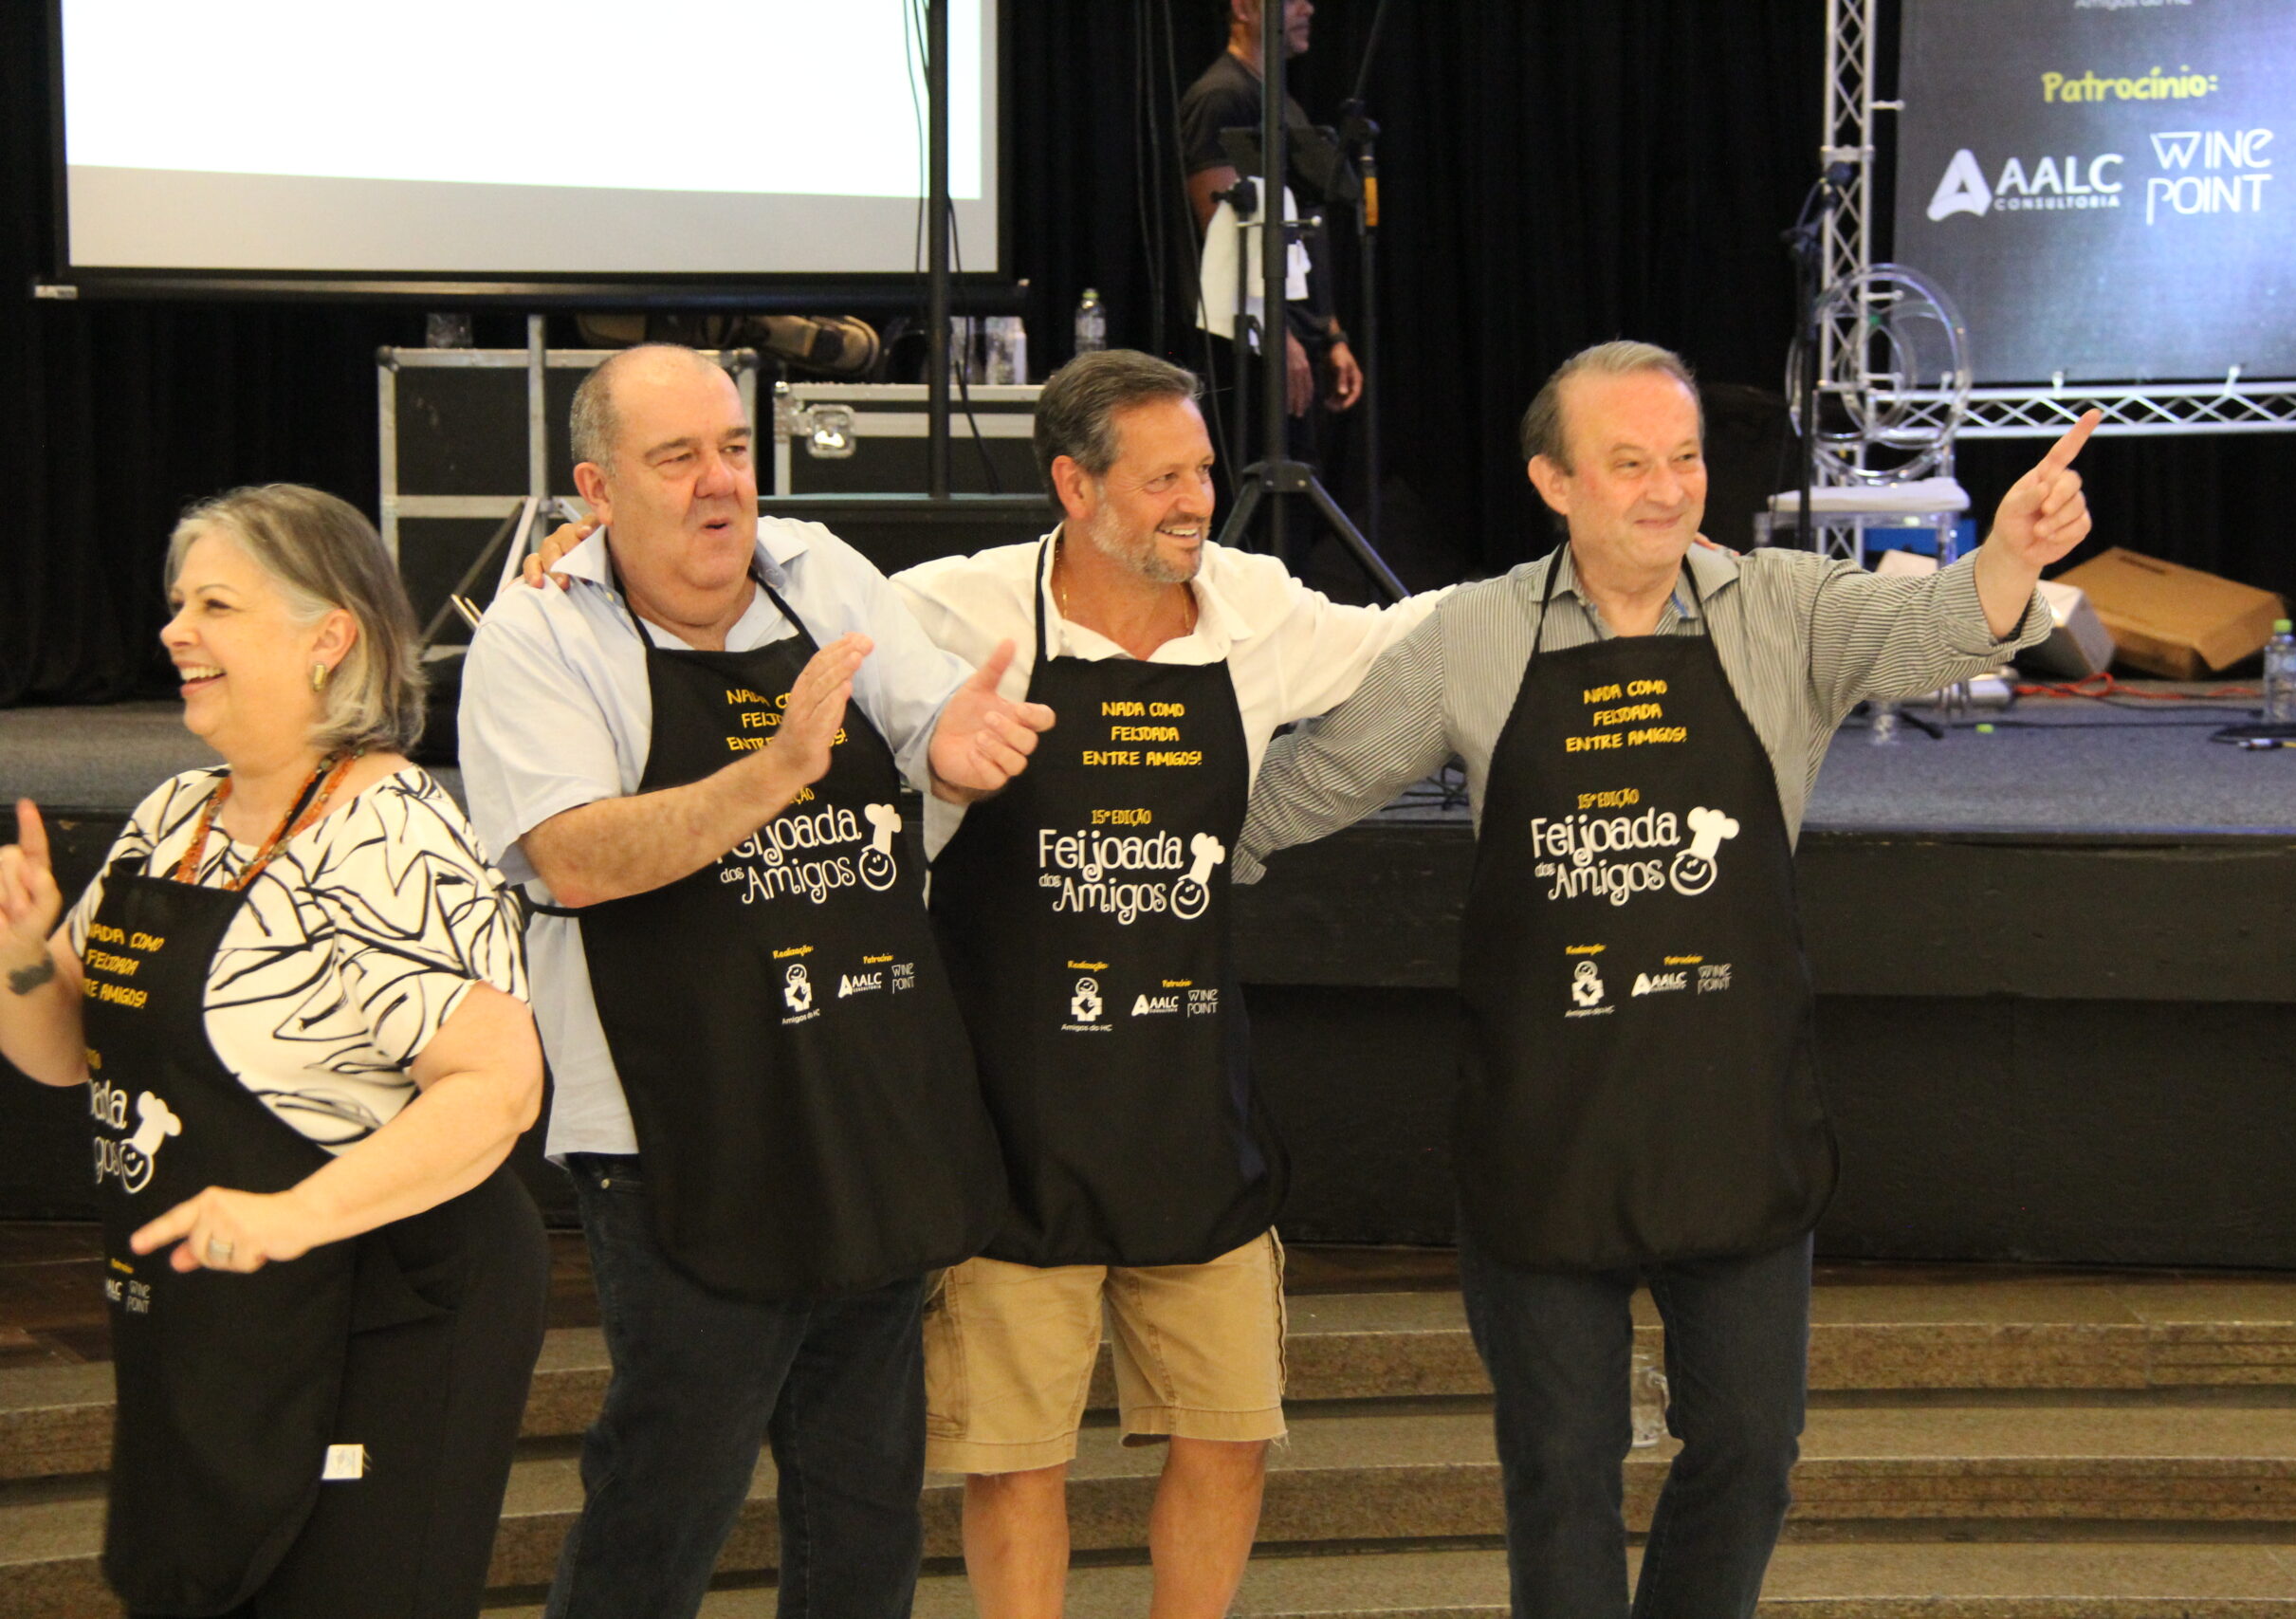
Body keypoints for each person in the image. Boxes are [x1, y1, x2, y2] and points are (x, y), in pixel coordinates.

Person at [518, 347, 1440, 1619]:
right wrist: (601, 553)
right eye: (1163, 478)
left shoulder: (1254, 608)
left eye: (1204, 470)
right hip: (972, 1130)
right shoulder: (943, 606)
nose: (1196, 501)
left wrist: (1609, 573)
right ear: (1074, 484)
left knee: (1185, 1442)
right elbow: (754, 622)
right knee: (916, 1463)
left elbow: (1416, 644)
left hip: (1158, 1115)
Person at [1231, 340, 2099, 1618]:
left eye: (1684, 457)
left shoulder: (1786, 609)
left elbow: (1932, 628)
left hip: (1731, 1119)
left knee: (1749, 1453)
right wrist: (1146, 856)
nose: (1669, 487)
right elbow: (1313, 783)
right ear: (1553, 482)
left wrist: (2011, 558)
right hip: (1546, 1129)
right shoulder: (1470, 634)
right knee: (1559, 1470)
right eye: (1630, 462)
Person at [456, 343, 1050, 1619]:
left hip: (859, 1094)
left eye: (732, 448)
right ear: (596, 490)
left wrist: (958, 747)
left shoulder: (818, 571)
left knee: (865, 1490)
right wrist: (776, 769)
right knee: (674, 1477)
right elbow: (574, 856)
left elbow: (928, 722)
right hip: (675, 1132)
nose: (720, 481)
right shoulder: (538, 636)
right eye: (677, 457)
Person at [0, 484, 547, 1619]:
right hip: (212, 1317)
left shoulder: (390, 834)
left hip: (383, 1309)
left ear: (327, 638)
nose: (173, 631)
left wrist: (292, 1216)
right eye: (176, 604)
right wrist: (18, 962)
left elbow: (497, 1089)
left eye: (215, 605)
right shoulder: (172, 819)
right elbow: (63, 1055)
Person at [1183, 0, 1364, 422]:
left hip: (1291, 338)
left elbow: (1299, 240)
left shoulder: (1277, 99)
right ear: (1244, 9)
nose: (1308, 9)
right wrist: (1278, 335)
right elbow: (1226, 235)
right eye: (1291, 0)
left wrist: (1331, 333)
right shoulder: (1221, 97)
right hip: (1251, 347)